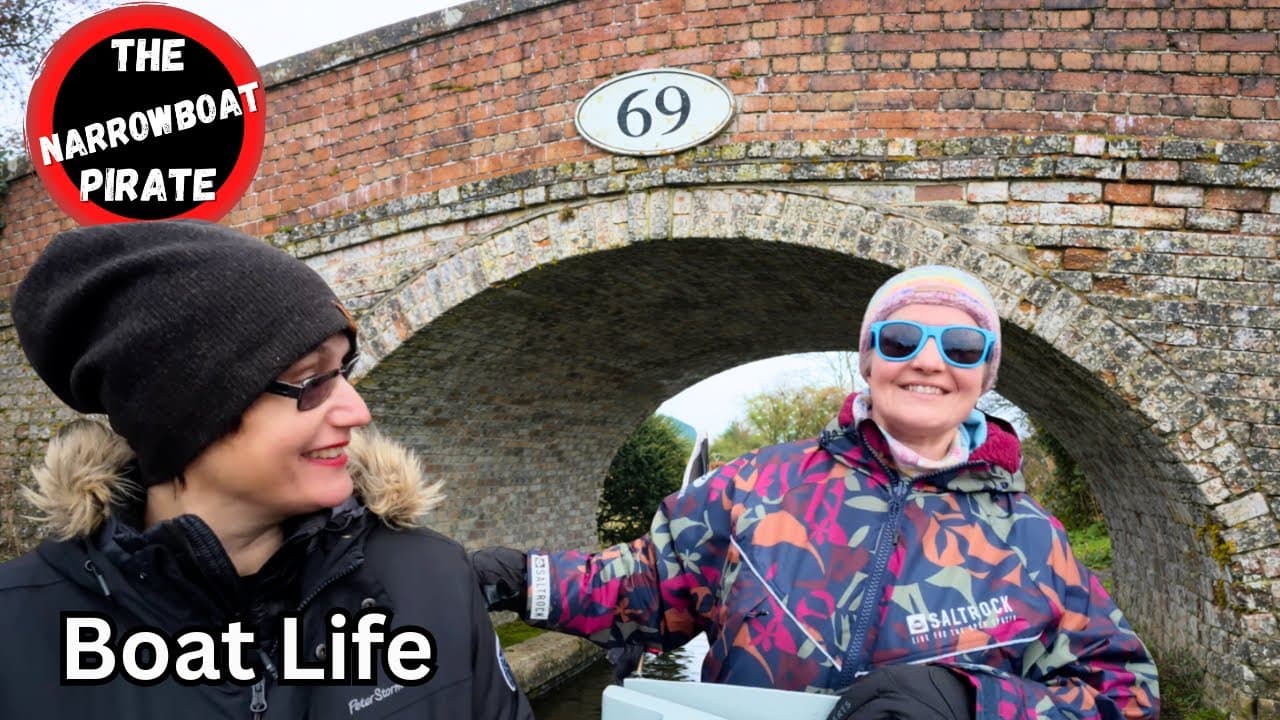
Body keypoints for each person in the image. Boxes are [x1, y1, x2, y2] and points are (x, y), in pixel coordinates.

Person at [474, 265, 1160, 719]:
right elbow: (644, 587)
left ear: (985, 374)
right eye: (900, 339)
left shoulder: (1034, 538)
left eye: (959, 346)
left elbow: (1124, 696)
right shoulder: (755, 485)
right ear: (869, 360)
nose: (927, 362)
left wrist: (972, 701)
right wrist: (512, 576)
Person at [0, 221, 534, 720]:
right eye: (310, 380)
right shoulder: (19, 633)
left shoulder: (433, 579)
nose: (358, 411)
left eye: (343, 371)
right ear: (184, 412)